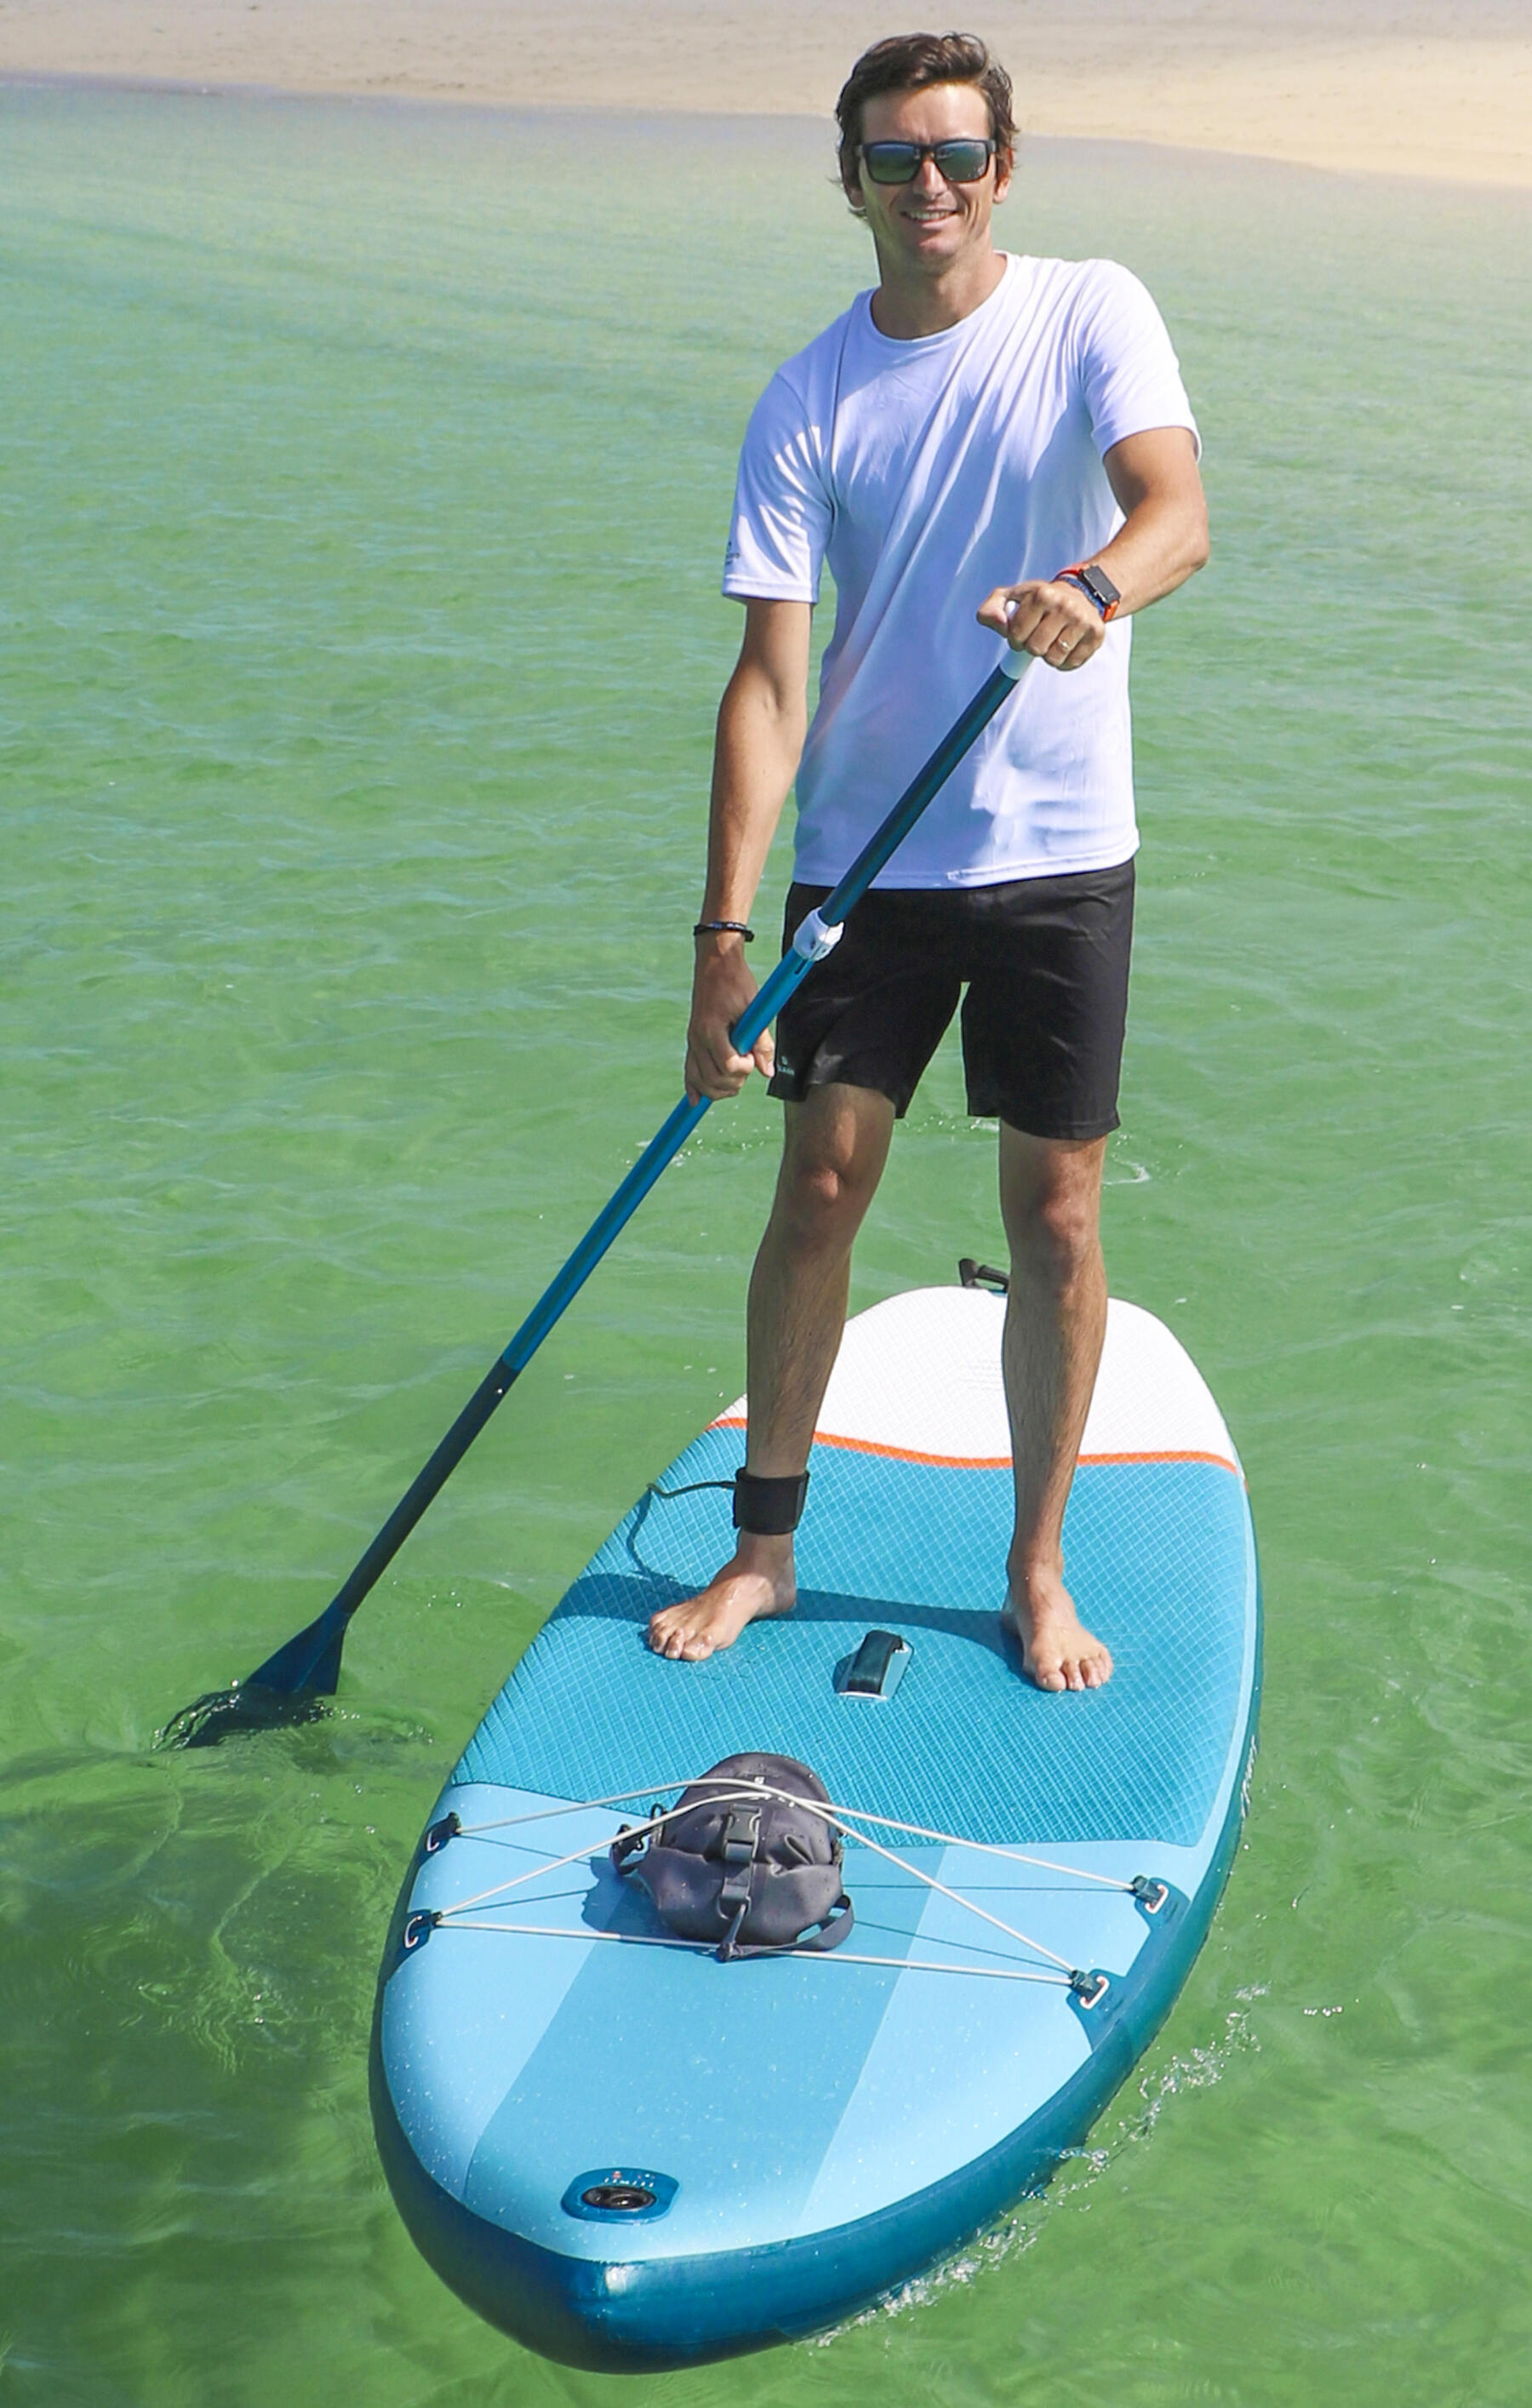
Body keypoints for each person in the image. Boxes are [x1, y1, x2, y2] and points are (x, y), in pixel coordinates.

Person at [647, 30, 1209, 1690]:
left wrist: (1094, 589)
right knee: (817, 1187)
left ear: (1004, 168)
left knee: (1054, 1211)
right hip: (867, 867)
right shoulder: (810, 393)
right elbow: (768, 680)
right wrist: (723, 935)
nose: (931, 185)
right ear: (855, 182)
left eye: (958, 154)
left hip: (1056, 854)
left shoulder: (1092, 309)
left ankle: (1037, 1567)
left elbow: (1174, 510)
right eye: (897, 159)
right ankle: (765, 1544)